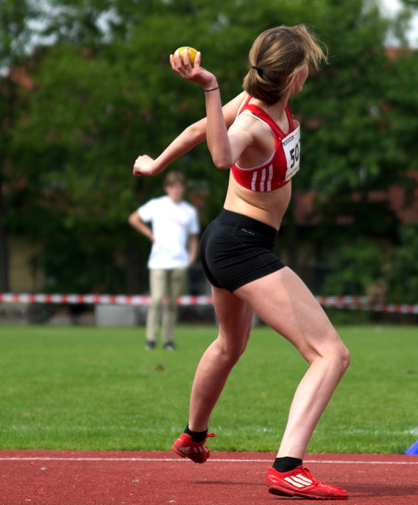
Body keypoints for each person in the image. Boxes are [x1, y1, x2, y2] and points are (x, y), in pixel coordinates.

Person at [132, 25, 350, 500]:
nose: (310, 69)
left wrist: (156, 164)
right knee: (330, 354)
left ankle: (193, 435)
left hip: (227, 239)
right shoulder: (252, 119)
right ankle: (287, 466)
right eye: (307, 63)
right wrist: (209, 87)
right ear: (294, 77)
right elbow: (218, 153)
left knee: (230, 345)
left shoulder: (259, 102)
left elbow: (196, 129)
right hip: (241, 246)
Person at [128, 171, 199, 350]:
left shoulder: (189, 211)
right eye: (173, 186)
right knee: (157, 299)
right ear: (167, 188)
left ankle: (168, 340)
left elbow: (193, 238)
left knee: (173, 303)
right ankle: (151, 339)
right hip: (158, 260)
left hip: (179, 262)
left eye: (179, 186)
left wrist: (191, 257)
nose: (176, 190)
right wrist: (149, 234)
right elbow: (134, 218)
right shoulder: (156, 205)